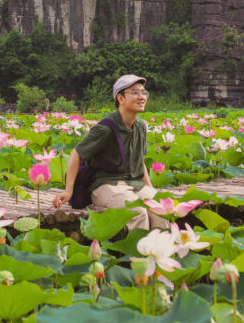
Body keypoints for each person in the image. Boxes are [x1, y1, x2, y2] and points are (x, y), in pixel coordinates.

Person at [52, 75, 168, 231]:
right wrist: (68, 191)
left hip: (134, 184)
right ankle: (138, 254)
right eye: (135, 93)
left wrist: (152, 190)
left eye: (143, 92)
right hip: (106, 185)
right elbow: (76, 153)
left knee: (162, 210)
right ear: (120, 98)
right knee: (137, 212)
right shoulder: (105, 129)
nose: (142, 97)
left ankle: (161, 252)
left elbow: (139, 162)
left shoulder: (140, 126)